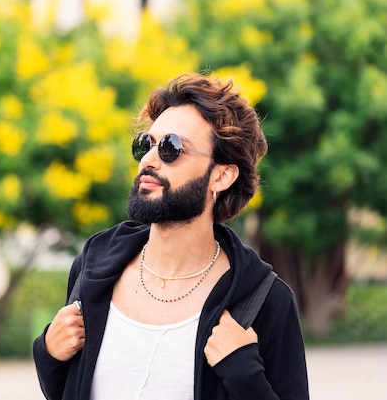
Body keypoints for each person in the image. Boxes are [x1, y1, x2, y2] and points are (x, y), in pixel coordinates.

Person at [32, 73, 309, 400]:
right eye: (145, 145)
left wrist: (244, 374)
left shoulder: (264, 300)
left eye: (171, 148)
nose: (149, 160)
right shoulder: (95, 266)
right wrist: (49, 352)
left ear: (221, 176)